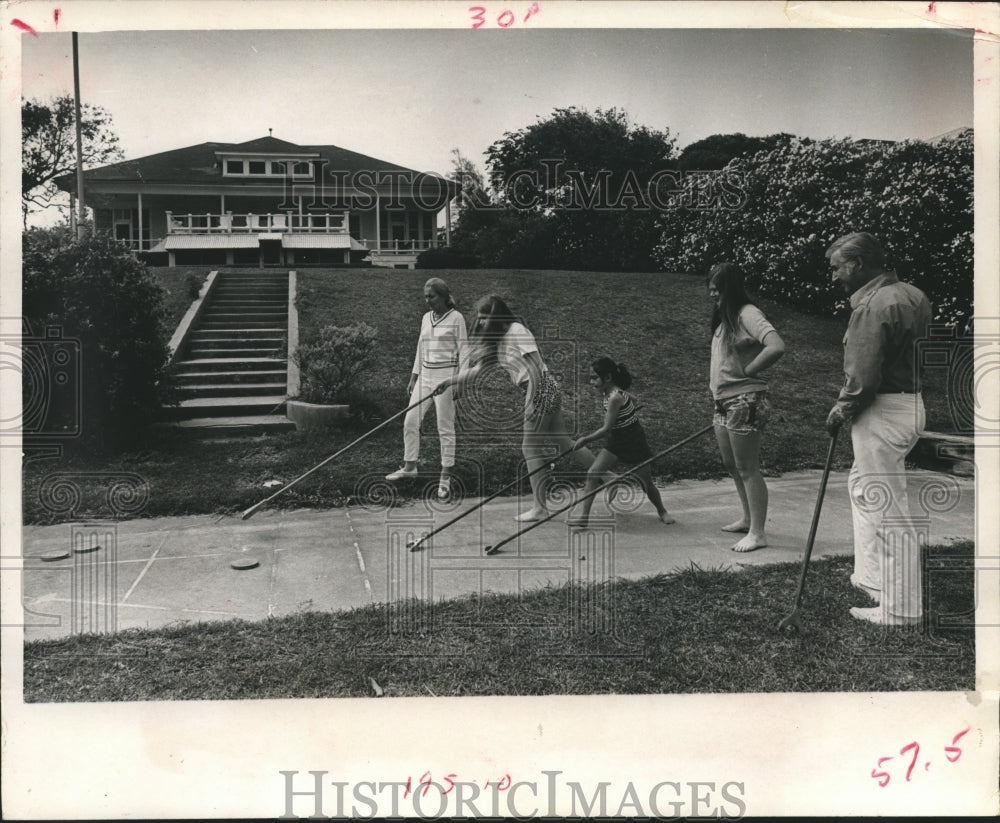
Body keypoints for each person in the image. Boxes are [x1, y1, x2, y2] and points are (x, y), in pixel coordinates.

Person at [824, 232, 932, 627]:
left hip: (882, 410)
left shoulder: (873, 305)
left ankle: (901, 608)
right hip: (910, 404)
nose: (834, 276)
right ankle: (872, 577)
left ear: (855, 264)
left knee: (887, 507)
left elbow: (863, 378)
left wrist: (841, 409)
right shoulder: (914, 294)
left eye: (837, 267)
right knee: (863, 487)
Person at [435, 295, 594, 521]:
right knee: (564, 442)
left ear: (497, 316)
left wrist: (531, 401)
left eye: (485, 317)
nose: (481, 322)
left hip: (540, 386)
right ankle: (607, 476)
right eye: (480, 318)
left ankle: (540, 508)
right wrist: (449, 381)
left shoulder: (517, 330)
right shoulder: (498, 340)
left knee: (530, 448)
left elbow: (535, 367)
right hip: (544, 388)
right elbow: (477, 371)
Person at [707, 262, 785, 552]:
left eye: (717, 288)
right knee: (732, 465)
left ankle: (758, 533)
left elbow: (776, 345)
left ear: (731, 287)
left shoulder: (748, 313)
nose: (712, 293)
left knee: (747, 467)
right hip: (723, 401)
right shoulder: (725, 319)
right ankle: (747, 519)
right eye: (710, 288)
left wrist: (750, 369)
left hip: (745, 400)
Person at [567, 358, 674, 529]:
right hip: (617, 439)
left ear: (608, 378)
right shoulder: (611, 393)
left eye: (594, 378)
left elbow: (606, 429)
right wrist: (628, 412)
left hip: (633, 440)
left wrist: (585, 440)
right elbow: (633, 400)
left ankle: (662, 511)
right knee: (593, 473)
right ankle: (584, 517)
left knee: (646, 483)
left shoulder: (615, 397)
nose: (591, 382)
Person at [385, 277, 467, 499]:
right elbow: (420, 349)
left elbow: (464, 351)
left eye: (432, 297)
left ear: (443, 296)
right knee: (410, 421)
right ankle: (410, 467)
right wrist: (414, 377)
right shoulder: (425, 318)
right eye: (425, 297)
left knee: (444, 427)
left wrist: (459, 381)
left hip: (446, 377)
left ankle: (445, 475)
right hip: (425, 376)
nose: (428, 301)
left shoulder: (456, 318)